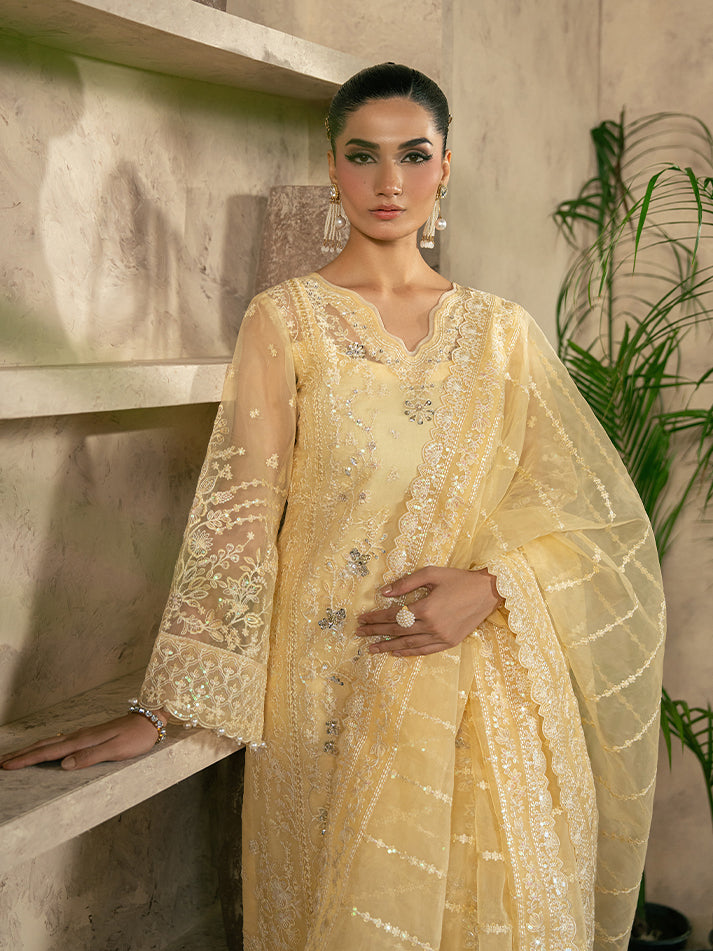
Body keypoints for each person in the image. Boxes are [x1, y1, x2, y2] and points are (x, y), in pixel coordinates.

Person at [2, 64, 665, 951]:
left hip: (483, 695)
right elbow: (239, 520)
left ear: (445, 167)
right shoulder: (287, 321)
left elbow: (595, 518)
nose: (389, 181)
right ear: (331, 167)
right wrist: (160, 709)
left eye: (413, 155)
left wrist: (493, 585)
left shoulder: (503, 334)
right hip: (327, 698)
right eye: (363, 155)